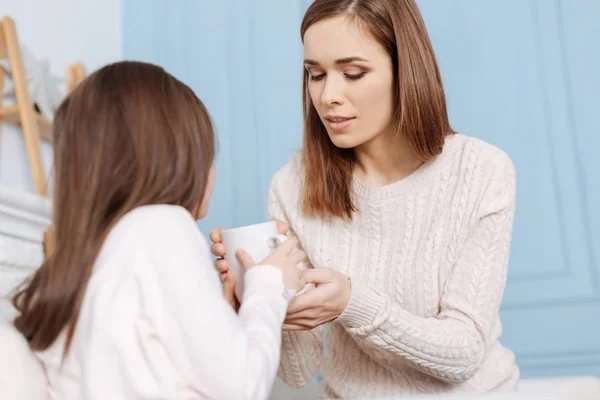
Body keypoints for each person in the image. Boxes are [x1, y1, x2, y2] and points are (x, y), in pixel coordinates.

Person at [210, 0, 520, 397]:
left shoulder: (481, 170)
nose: (328, 96)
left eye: (353, 73)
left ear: (404, 71)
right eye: (316, 75)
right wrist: (261, 298)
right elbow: (298, 370)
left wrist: (352, 303)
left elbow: (463, 354)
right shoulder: (291, 185)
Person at [11, 61, 306, 400]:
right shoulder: (161, 226)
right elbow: (243, 387)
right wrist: (269, 286)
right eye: (207, 154)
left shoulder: (75, 261)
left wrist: (227, 316)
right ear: (180, 160)